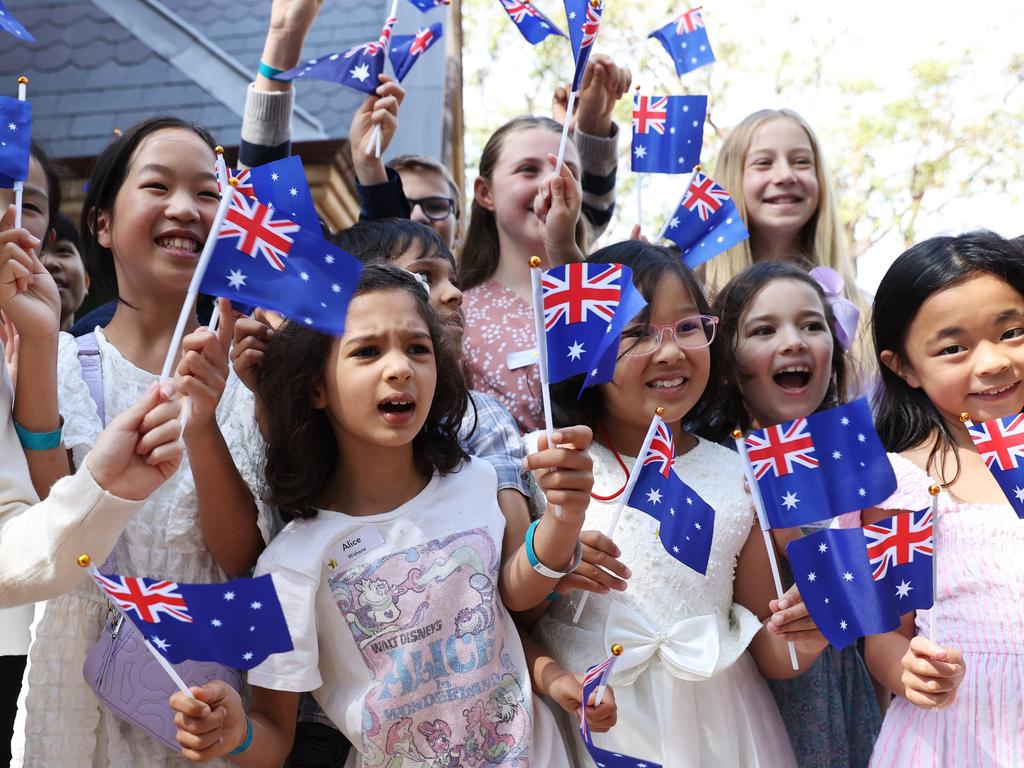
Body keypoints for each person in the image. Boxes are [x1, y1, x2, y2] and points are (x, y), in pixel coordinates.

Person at [168, 265, 593, 766]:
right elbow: (274, 735)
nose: (400, 368)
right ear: (315, 387)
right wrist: (234, 733)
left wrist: (564, 518)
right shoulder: (289, 564)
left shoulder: (479, 479)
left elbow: (508, 610)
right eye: (367, 351)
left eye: (417, 348)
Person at [5, 116, 270, 768]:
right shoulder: (57, 356)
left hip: (195, 701)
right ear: (100, 223)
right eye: (158, 185)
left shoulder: (253, 381)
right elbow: (48, 517)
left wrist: (204, 424)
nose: (185, 207)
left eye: (209, 194)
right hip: (70, 691)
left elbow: (247, 561)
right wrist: (38, 345)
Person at [530, 241, 825, 767]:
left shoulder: (741, 476)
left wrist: (814, 625)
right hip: (586, 717)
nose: (669, 351)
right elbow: (512, 617)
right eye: (638, 332)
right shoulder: (553, 463)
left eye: (688, 327)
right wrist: (552, 569)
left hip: (719, 727)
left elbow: (772, 649)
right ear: (587, 347)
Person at [697, 261, 882, 766]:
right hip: (757, 708)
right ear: (729, 365)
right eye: (764, 330)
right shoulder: (715, 465)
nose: (794, 341)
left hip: (853, 700)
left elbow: (885, 602)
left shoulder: (856, 458)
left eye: (811, 324)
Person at [863, 231, 1023, 766]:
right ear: (903, 366)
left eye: (1013, 331)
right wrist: (907, 670)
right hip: (950, 740)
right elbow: (886, 634)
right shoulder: (895, 483)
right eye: (954, 348)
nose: (993, 362)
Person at [707, 109, 872, 389]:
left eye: (801, 162)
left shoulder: (867, 313)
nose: (785, 175)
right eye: (763, 163)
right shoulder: (695, 307)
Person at [459, 115, 587, 432]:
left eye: (568, 173)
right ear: (485, 192)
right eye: (529, 170)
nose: (551, 183)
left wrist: (564, 252)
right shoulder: (456, 311)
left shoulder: (609, 292)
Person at [42, 213, 89, 332]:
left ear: (86, 280)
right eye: (37, 253)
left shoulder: (110, 348)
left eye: (63, 250)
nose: (49, 262)